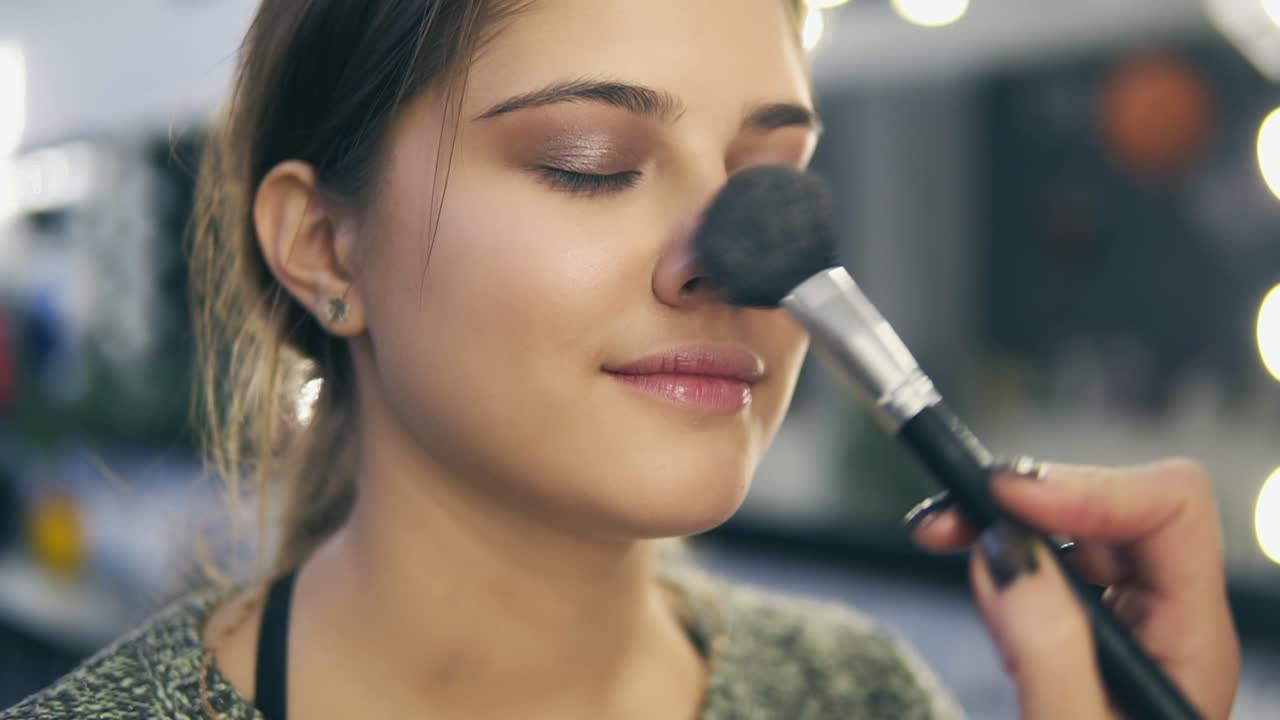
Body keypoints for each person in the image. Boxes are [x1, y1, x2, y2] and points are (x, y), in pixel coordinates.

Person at [2, 1, 1239, 718]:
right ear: (326, 245)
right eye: (588, 161)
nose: (731, 259)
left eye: (769, 177)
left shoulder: (859, 698)